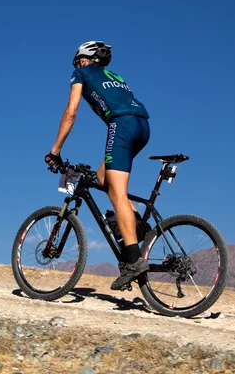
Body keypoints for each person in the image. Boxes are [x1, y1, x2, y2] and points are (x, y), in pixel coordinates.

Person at [44, 41, 151, 291]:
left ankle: (134, 259)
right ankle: (136, 226)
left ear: (84, 59)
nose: (78, 64)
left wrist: (55, 150)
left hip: (122, 126)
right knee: (104, 180)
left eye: (79, 60)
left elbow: (71, 112)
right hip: (143, 127)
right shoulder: (115, 76)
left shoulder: (81, 73)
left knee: (118, 194)